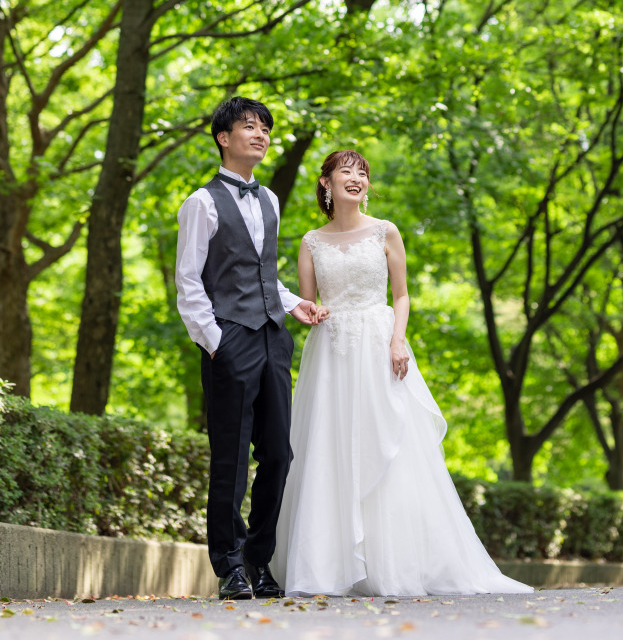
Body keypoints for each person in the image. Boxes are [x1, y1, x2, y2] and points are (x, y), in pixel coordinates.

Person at [272, 149, 531, 597]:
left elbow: (402, 294)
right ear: (326, 183)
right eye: (346, 172)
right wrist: (311, 312)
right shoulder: (311, 241)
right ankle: (326, 567)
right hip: (332, 350)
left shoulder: (385, 231)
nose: (356, 178)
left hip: (379, 342)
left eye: (362, 172)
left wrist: (397, 339)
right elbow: (310, 303)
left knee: (388, 443)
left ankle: (395, 564)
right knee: (328, 446)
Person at [175, 96, 321, 601]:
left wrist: (294, 304)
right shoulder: (200, 202)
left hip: (273, 337)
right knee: (231, 460)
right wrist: (216, 341)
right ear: (224, 137)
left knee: (279, 453)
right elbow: (189, 282)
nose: (260, 134)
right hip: (229, 339)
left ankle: (260, 561)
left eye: (265, 128)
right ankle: (230, 565)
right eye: (249, 126)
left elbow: (264, 273)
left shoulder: (270, 200)